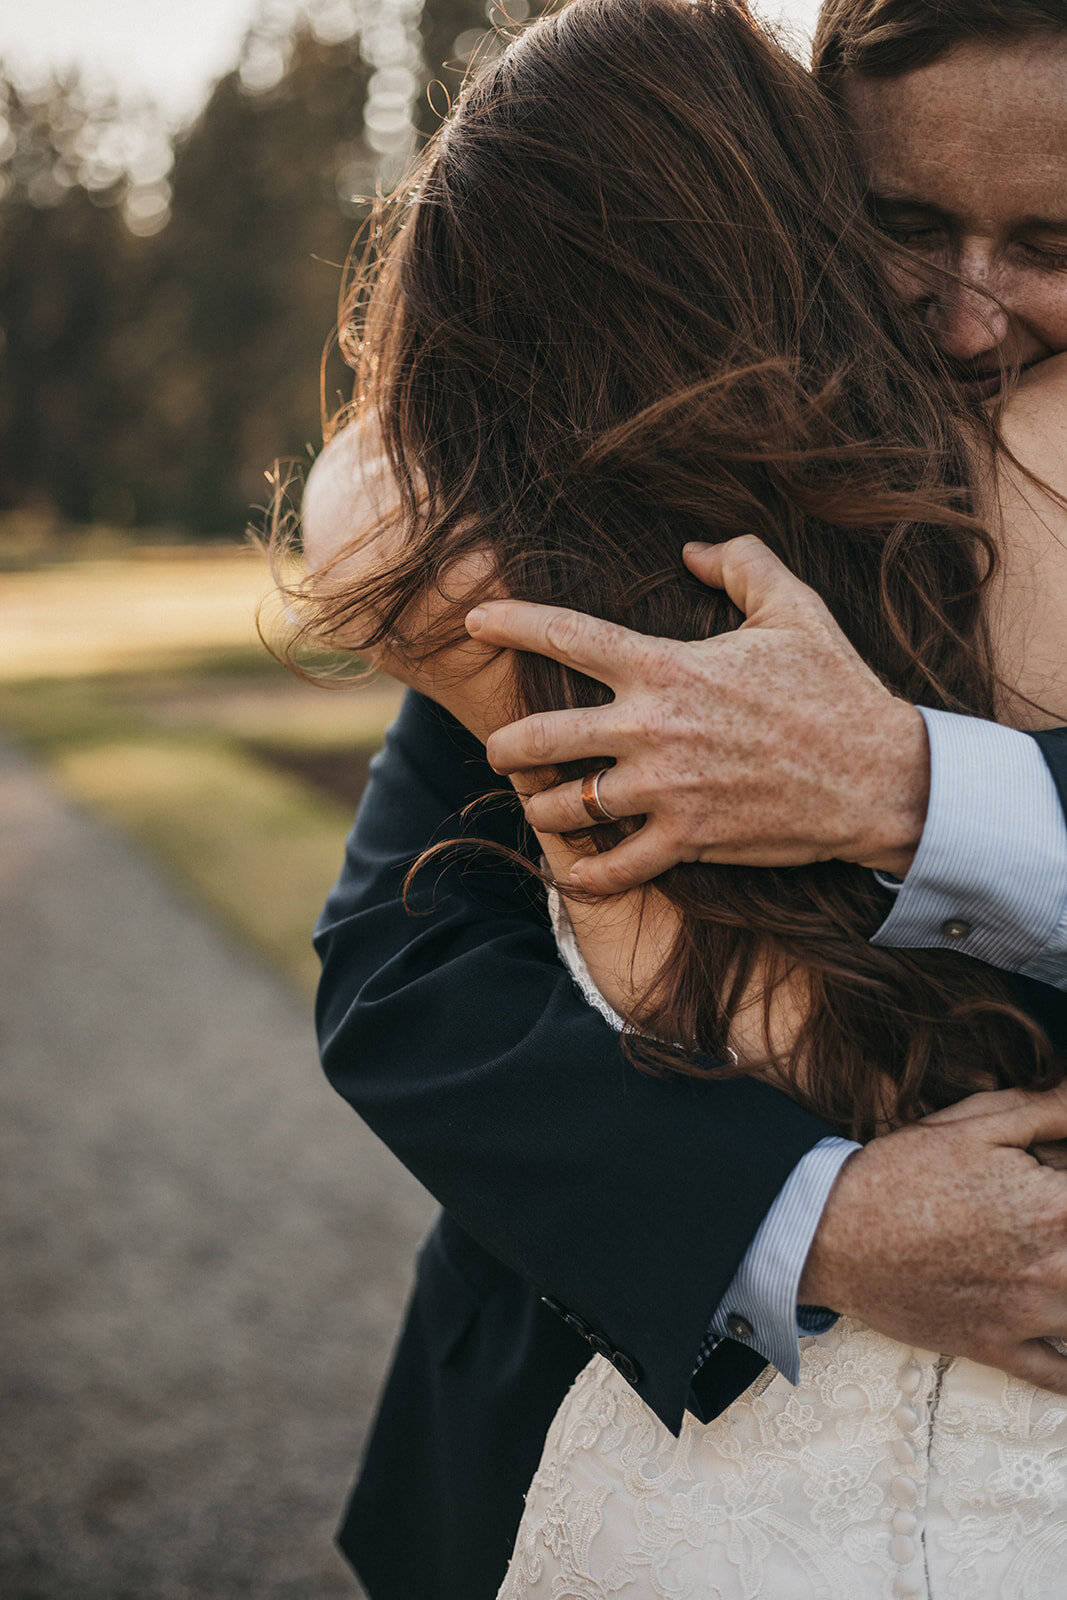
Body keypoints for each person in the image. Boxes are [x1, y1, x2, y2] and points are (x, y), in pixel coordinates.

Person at [302, 0, 1067, 1594]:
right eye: (907, 227)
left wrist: (914, 792)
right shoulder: (570, 493)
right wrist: (809, 1220)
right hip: (588, 1435)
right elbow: (407, 974)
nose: (974, 319)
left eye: (1055, 241)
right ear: (798, 170)